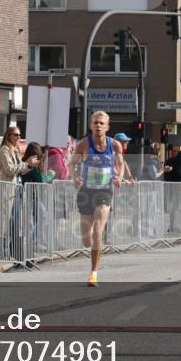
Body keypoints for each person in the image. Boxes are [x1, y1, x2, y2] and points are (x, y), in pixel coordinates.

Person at [68, 110, 124, 287]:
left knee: (98, 230)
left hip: (104, 192)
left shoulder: (114, 145)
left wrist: (119, 178)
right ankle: (93, 248)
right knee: (87, 239)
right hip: (86, 192)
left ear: (107, 127)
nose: (98, 126)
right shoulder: (84, 145)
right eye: (95, 123)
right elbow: (72, 164)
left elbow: (121, 165)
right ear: (91, 125)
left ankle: (94, 273)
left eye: (102, 123)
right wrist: (74, 178)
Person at [0, 125, 40, 261]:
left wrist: (30, 165)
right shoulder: (4, 150)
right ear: (9, 136)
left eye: (19, 135)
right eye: (16, 135)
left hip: (17, 190)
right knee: (5, 223)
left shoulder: (15, 150)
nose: (18, 137)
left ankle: (11, 252)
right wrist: (27, 164)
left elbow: (20, 170)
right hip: (7, 190)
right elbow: (10, 169)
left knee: (14, 222)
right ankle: (3, 252)